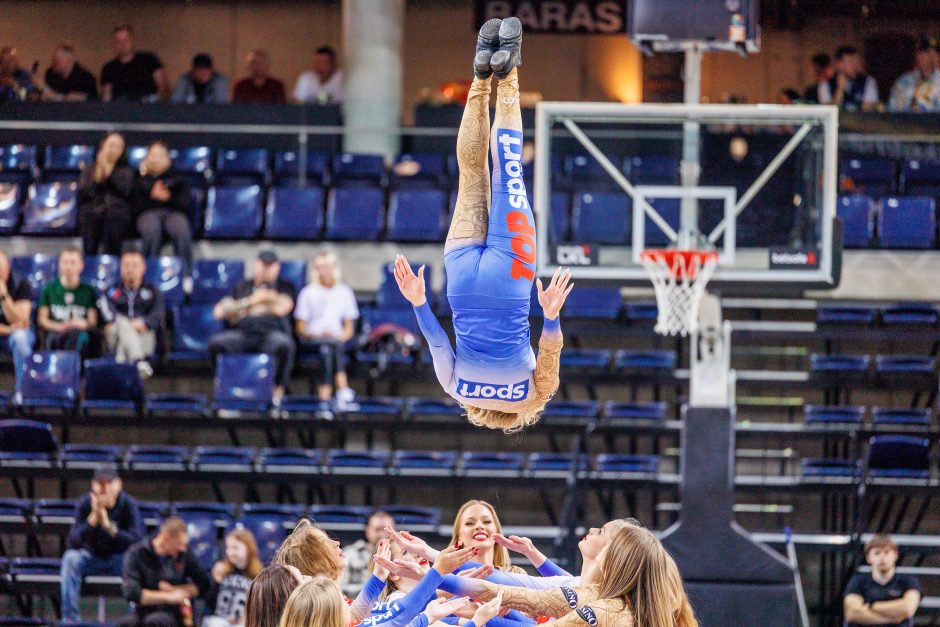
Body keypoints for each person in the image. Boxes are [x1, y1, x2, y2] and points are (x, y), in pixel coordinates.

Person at [395, 18, 572, 433]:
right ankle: (479, 79)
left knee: (508, 170)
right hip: (461, 283)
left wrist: (550, 315)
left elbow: (551, 348)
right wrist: (419, 301)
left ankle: (507, 72)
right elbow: (438, 343)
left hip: (511, 282)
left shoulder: (534, 396)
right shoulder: (458, 392)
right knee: (471, 173)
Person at [431, 518, 697, 627]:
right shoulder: (592, 593)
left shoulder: (605, 609)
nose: (592, 530)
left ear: (615, 554)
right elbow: (522, 596)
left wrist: (431, 574)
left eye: (601, 532)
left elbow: (508, 589)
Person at [210, 250, 296, 402]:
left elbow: (282, 307)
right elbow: (220, 311)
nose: (266, 269)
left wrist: (242, 310)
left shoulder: (285, 286)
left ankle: (277, 392)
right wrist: (254, 301)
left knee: (285, 344)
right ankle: (223, 389)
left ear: (277, 267)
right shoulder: (242, 286)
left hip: (270, 335)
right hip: (244, 334)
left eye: (270, 265)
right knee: (216, 343)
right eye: (263, 264)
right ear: (256, 264)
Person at [61, 467, 143, 624]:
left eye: (108, 483)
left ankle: (136, 617)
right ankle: (70, 618)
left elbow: (137, 540)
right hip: (91, 557)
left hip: (120, 559)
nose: (104, 488)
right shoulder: (85, 503)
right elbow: (73, 541)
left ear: (118, 484)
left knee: (136, 561)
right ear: (93, 485)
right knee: (70, 558)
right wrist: (92, 520)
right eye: (100, 483)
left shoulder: (128, 504)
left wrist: (109, 526)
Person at [294, 251, 359, 407]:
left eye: (327, 267)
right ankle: (343, 389)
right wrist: (318, 334)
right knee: (330, 345)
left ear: (334, 268)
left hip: (335, 341)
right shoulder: (307, 293)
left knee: (327, 349)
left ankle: (324, 398)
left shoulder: (345, 292)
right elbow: (300, 329)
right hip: (312, 340)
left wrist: (337, 339)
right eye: (319, 267)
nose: (323, 271)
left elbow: (349, 329)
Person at [123, 516, 211, 627]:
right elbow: (132, 593)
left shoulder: (184, 554)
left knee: (155, 622)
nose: (183, 548)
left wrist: (176, 590)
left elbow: (204, 584)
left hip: (173, 612)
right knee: (127, 623)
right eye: (179, 543)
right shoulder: (136, 553)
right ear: (165, 538)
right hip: (144, 609)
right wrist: (169, 597)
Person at [98, 247, 164, 379]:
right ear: (120, 267)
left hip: (144, 335)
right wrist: (128, 324)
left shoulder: (153, 292)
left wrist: (141, 324)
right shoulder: (110, 291)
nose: (130, 269)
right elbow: (108, 315)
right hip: (115, 334)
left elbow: (156, 316)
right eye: (126, 265)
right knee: (121, 323)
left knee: (130, 334)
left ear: (143, 268)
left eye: (134, 265)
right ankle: (139, 361)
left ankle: (121, 366)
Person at [133, 141, 193, 277]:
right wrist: (151, 194)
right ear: (146, 157)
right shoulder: (138, 178)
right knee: (151, 229)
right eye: (153, 155)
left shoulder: (178, 178)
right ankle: (145, 274)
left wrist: (167, 199)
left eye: (160, 156)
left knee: (181, 228)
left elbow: (185, 204)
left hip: (173, 213)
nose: (156, 160)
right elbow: (134, 206)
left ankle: (185, 275)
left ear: (168, 159)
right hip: (147, 214)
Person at [844, 534, 921, 627]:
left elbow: (907, 609)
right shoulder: (858, 581)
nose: (882, 558)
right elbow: (853, 613)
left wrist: (871, 606)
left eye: (887, 552)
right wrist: (893, 618)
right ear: (868, 558)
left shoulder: (908, 580)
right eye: (877, 553)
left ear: (895, 555)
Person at [78, 132, 134, 255]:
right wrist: (97, 176)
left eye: (118, 147)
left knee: (113, 218)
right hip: (93, 209)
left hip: (117, 211)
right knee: (88, 216)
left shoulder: (126, 170)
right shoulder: (90, 169)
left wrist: (108, 173)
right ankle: (89, 259)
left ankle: (111, 259)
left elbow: (125, 191)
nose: (113, 150)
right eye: (111, 145)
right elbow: (83, 193)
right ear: (103, 145)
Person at [37, 246, 99, 354]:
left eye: (73, 263)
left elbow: (92, 321)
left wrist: (83, 323)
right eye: (65, 262)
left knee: (80, 336)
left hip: (78, 334)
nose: (68, 267)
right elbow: (42, 319)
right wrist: (59, 326)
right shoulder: (49, 288)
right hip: (55, 332)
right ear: (59, 264)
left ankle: (73, 368)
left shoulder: (89, 290)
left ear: (81, 266)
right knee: (52, 338)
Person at [203, 529, 264, 627]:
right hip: (220, 620)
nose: (230, 552)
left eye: (235, 548)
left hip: (244, 622)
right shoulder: (222, 570)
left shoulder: (259, 575)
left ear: (249, 549)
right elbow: (209, 604)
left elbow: (260, 608)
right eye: (228, 547)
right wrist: (216, 583)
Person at [101, 24, 169, 102]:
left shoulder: (149, 59)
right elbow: (106, 98)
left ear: (133, 40)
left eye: (126, 40)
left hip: (149, 107)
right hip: (121, 109)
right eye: (118, 41)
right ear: (114, 44)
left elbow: (164, 88)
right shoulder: (109, 68)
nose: (122, 44)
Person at [0, 249, 34, 394]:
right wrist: (8, 329)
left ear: (8, 265)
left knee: (20, 338)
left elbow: (22, 321)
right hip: (7, 330)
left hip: (16, 335)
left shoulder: (21, 283)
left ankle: (24, 392)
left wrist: (3, 296)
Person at [339, 511, 394, 597]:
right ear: (367, 530)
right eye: (377, 529)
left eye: (386, 530)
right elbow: (340, 588)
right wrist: (372, 588)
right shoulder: (349, 553)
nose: (381, 534)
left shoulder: (402, 555)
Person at [818, 46, 880, 112]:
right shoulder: (825, 84)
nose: (855, 65)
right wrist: (840, 89)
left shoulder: (868, 81)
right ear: (839, 64)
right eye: (850, 62)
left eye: (857, 62)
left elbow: (868, 108)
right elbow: (829, 111)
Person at [888, 36, 940, 113]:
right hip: (902, 123)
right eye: (921, 52)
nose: (925, 57)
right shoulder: (904, 81)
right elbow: (891, 108)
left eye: (931, 53)